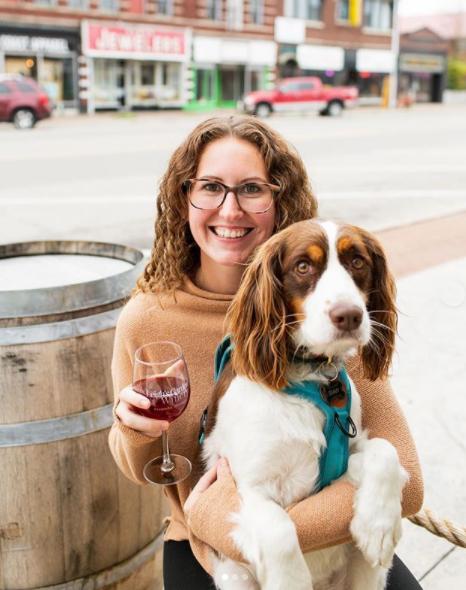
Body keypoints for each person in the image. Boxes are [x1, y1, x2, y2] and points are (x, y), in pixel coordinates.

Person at [108, 115, 424, 589]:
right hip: (204, 547)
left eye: (252, 189)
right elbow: (144, 470)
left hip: (295, 533)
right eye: (211, 187)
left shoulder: (329, 313)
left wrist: (261, 532)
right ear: (184, 198)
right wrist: (134, 430)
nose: (230, 209)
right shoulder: (148, 317)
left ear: (280, 199)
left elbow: (410, 486)